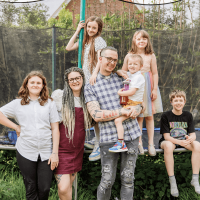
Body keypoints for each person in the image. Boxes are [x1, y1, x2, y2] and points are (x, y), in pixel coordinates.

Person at [84, 46, 144, 200]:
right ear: (100, 59)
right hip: (109, 138)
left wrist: (139, 108)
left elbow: (139, 101)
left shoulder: (123, 78)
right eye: (109, 59)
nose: (112, 62)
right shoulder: (91, 84)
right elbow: (96, 115)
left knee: (128, 179)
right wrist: (120, 112)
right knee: (107, 181)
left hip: (131, 135)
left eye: (115, 60)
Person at [0, 71, 60, 200]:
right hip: (25, 150)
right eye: (32, 82)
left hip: (46, 152)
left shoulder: (50, 103)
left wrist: (55, 153)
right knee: (30, 187)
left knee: (45, 188)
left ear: (43, 86)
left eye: (38, 83)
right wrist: (15, 126)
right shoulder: (17, 104)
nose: (35, 85)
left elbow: (55, 128)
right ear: (26, 84)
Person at [66, 16, 107, 161]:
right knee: (90, 112)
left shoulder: (99, 41)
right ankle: (96, 140)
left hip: (94, 80)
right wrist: (78, 30)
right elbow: (68, 47)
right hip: (87, 81)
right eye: (89, 27)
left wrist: (94, 75)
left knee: (96, 112)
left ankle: (99, 144)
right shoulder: (85, 40)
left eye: (94, 28)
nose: (90, 30)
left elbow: (101, 59)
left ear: (98, 29)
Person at [51, 67, 92, 200]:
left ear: (82, 79)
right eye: (71, 79)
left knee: (68, 187)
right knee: (63, 188)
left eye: (77, 78)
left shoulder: (87, 98)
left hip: (77, 150)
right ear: (67, 82)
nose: (74, 81)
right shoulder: (59, 96)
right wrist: (54, 152)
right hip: (61, 149)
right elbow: (52, 123)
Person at [122, 30, 163, 156]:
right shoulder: (129, 55)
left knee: (149, 116)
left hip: (149, 86)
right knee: (139, 116)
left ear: (147, 41)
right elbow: (124, 71)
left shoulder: (150, 55)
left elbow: (155, 73)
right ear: (134, 40)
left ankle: (151, 144)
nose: (141, 41)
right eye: (139, 39)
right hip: (136, 88)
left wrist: (154, 89)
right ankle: (138, 143)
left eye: (144, 39)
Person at [159, 90, 200, 197]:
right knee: (168, 145)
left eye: (180, 100)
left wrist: (190, 139)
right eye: (175, 100)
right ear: (171, 102)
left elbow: (193, 134)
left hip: (183, 141)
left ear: (184, 102)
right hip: (169, 141)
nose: (178, 103)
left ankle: (195, 179)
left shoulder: (188, 115)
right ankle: (173, 182)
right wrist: (179, 141)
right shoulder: (166, 116)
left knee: (197, 145)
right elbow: (166, 136)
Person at [109, 54, 145, 153]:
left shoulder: (139, 77)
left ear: (141, 66)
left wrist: (120, 93)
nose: (132, 66)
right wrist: (121, 72)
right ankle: (134, 143)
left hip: (134, 105)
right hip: (128, 103)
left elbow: (132, 92)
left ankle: (121, 143)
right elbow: (120, 71)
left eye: (135, 64)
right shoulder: (130, 74)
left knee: (118, 121)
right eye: (130, 64)